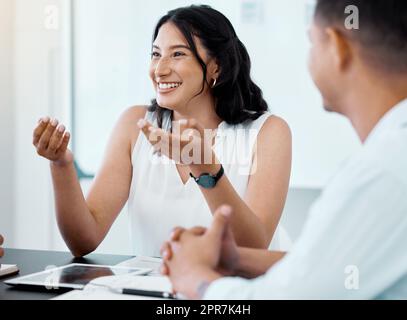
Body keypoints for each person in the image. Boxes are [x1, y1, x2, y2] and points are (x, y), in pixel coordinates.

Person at [161, 0, 407, 299]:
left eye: (311, 43)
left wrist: (197, 280)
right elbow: (328, 267)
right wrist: (236, 259)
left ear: (337, 46)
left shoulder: (381, 173)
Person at [32, 5, 292, 257]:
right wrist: (61, 164)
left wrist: (205, 169)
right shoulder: (135, 124)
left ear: (216, 66)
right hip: (155, 293)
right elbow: (83, 240)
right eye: (156, 54)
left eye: (178, 54)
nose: (160, 69)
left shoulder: (268, 132)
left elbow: (252, 248)